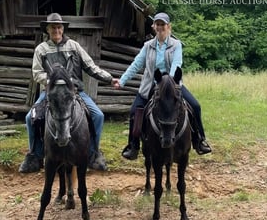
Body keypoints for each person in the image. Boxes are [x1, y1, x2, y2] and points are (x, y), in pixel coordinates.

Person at [19, 13, 119, 173]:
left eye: (59, 27)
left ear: (63, 28)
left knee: (98, 115)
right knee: (30, 118)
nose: (56, 30)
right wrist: (55, 80)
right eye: (53, 27)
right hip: (50, 93)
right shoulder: (41, 49)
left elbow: (90, 66)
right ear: (48, 29)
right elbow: (36, 73)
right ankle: (35, 156)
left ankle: (93, 155)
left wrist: (109, 79)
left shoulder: (74, 46)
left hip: (75, 92)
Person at [114, 12, 212, 159]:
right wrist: (122, 81)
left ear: (168, 26)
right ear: (154, 26)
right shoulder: (148, 46)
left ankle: (199, 140)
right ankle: (133, 146)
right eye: (157, 24)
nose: (160, 27)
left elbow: (177, 63)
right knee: (135, 111)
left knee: (195, 106)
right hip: (151, 85)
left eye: (163, 24)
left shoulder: (176, 45)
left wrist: (170, 82)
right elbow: (136, 65)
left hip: (172, 85)